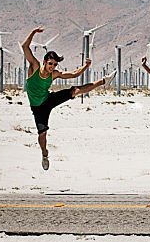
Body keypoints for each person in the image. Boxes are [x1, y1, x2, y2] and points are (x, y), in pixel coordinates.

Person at [21, 26, 116, 170]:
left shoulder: (55, 74)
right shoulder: (34, 67)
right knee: (42, 134)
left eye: (55, 64)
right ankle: (44, 153)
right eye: (50, 64)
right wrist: (33, 32)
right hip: (37, 108)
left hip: (48, 100)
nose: (52, 67)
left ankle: (103, 81)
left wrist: (85, 66)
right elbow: (25, 46)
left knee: (76, 91)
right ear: (45, 61)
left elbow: (73, 74)